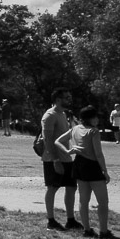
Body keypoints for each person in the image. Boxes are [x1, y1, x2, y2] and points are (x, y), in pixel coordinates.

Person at [56, 106, 115, 239]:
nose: (97, 119)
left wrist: (68, 151)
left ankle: (87, 229)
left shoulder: (75, 129)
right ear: (90, 118)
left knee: (83, 199)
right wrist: (104, 171)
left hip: (79, 164)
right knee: (103, 201)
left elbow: (57, 141)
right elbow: (98, 154)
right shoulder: (93, 131)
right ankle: (104, 232)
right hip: (92, 166)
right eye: (96, 117)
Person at [40, 88, 79, 231]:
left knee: (71, 187)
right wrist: (55, 160)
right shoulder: (49, 116)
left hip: (66, 157)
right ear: (57, 99)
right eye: (66, 97)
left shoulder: (62, 114)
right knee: (53, 187)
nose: (69, 100)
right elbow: (47, 139)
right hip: (53, 159)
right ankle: (51, 220)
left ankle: (71, 220)